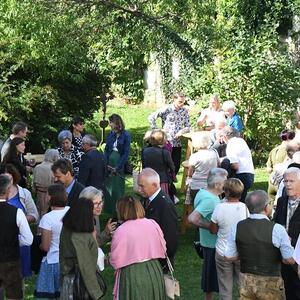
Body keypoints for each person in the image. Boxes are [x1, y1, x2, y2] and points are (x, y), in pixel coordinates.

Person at [225, 190, 294, 300]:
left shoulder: (237, 227)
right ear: (266, 208)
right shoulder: (277, 229)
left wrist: (244, 253)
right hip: (271, 282)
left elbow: (228, 256)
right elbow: (289, 259)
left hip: (246, 280)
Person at [110, 196, 167, 300]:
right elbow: (163, 247)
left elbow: (115, 259)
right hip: (154, 269)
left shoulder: (121, 230)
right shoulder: (152, 224)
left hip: (132, 272)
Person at [188, 168, 227, 300]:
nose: (226, 185)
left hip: (209, 243)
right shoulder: (210, 200)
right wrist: (211, 227)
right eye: (224, 182)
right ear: (216, 185)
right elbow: (192, 219)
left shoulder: (203, 192)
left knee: (212, 278)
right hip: (212, 244)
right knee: (212, 280)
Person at [209, 178, 248, 300]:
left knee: (225, 288)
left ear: (226, 192)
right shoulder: (245, 208)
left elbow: (213, 230)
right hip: (241, 251)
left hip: (223, 251)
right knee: (244, 286)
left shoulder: (219, 208)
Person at [59, 196, 104, 300]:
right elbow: (85, 266)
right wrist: (96, 293)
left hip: (69, 278)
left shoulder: (67, 228)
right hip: (79, 284)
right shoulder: (80, 236)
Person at [0, 163, 38, 278]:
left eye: (9, 178)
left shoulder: (24, 193)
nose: (7, 181)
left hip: (20, 238)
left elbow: (34, 215)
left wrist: (17, 219)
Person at [137, 168, 178, 271]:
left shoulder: (165, 205)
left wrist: (163, 260)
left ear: (154, 185)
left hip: (160, 262)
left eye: (142, 186)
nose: (139, 190)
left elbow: (171, 239)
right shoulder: (148, 199)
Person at [0, 174, 33, 300]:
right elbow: (28, 239)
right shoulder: (16, 212)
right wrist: (14, 240)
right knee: (14, 296)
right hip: (11, 260)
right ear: (8, 190)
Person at [34, 184, 69, 299]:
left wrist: (37, 245)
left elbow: (45, 246)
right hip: (69, 259)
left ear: (50, 197)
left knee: (49, 296)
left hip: (52, 261)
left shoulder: (47, 218)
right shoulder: (70, 211)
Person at [274, 167, 300, 299]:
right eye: (285, 181)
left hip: (298, 255)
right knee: (288, 290)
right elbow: (275, 223)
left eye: (291, 181)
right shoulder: (282, 201)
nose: (288, 184)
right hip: (283, 255)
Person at [148, 92, 190, 174]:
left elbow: (188, 126)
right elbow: (151, 117)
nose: (181, 104)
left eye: (183, 102)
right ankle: (165, 183)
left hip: (177, 142)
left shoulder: (184, 111)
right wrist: (158, 131)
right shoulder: (167, 109)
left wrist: (182, 131)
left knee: (176, 165)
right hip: (166, 142)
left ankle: (171, 183)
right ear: (174, 100)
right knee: (165, 164)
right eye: (179, 102)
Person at [104, 114, 131, 215]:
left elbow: (126, 153)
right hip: (109, 161)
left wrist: (118, 167)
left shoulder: (126, 135)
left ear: (116, 123)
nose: (109, 124)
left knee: (117, 188)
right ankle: (109, 210)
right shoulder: (111, 134)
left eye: (110, 122)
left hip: (118, 162)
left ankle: (119, 211)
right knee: (108, 186)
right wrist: (105, 162)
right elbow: (107, 149)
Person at [222, 126, 254, 202]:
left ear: (225, 137)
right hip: (250, 174)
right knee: (242, 201)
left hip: (240, 176)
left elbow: (235, 165)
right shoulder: (241, 141)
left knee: (235, 202)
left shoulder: (231, 144)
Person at [188, 132, 219, 202]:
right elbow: (218, 166)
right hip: (211, 186)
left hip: (196, 186)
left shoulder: (194, 156)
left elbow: (190, 173)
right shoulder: (214, 153)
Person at [142, 129, 175, 195]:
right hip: (162, 180)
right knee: (162, 198)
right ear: (162, 140)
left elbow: (144, 165)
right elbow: (172, 166)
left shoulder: (145, 151)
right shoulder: (165, 153)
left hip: (149, 178)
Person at [267, 129, 295, 202]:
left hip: (272, 181)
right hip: (283, 182)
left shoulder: (273, 150)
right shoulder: (290, 150)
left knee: (270, 203)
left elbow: (268, 169)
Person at [33, 149, 60, 217]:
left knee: (39, 212)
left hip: (39, 193)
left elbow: (34, 185)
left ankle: (38, 226)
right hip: (51, 194)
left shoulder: (37, 167)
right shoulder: (54, 169)